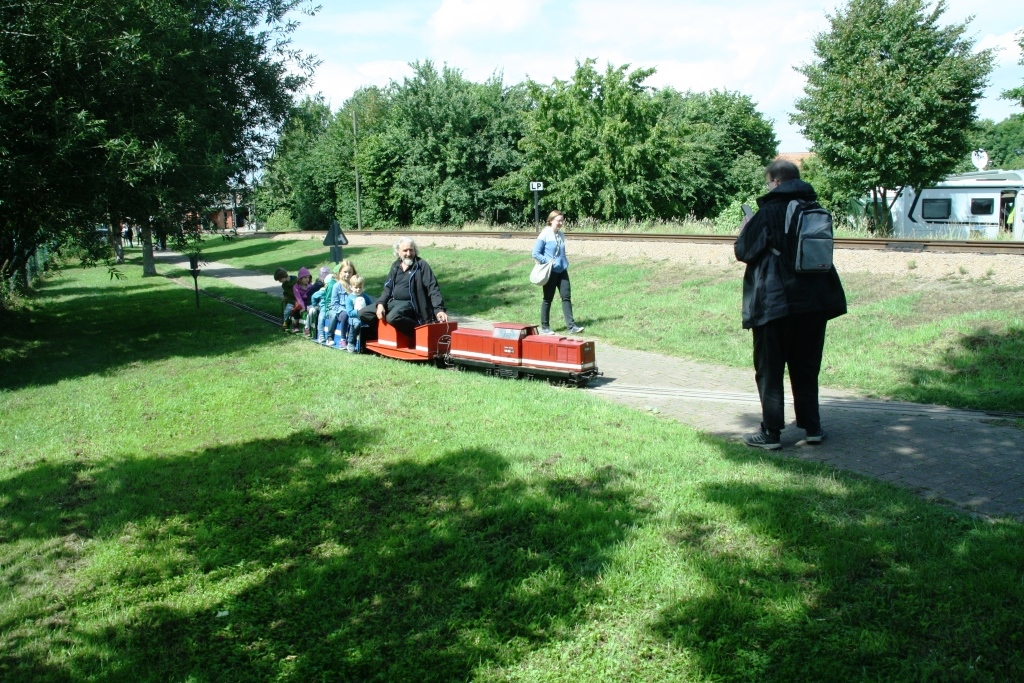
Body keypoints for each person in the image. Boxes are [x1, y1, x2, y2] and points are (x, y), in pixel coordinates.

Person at [734, 159, 847, 450]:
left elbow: (744, 251)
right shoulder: (814, 209)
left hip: (776, 304)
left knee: (770, 370)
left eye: (768, 182)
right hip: (815, 304)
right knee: (806, 367)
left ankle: (771, 433)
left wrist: (746, 229)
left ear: (776, 182)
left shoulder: (768, 212)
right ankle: (813, 428)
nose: (767, 187)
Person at [361, 238, 449, 336]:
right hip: (394, 302)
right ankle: (384, 334)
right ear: (398, 252)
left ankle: (419, 333)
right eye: (405, 250)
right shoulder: (395, 266)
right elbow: (388, 288)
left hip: (411, 303)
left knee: (392, 317)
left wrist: (439, 309)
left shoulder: (421, 265)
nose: (408, 253)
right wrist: (381, 304)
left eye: (411, 250)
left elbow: (433, 288)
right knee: (364, 313)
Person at [532, 210, 584, 335]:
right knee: (547, 299)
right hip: (550, 271)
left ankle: (571, 327)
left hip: (562, 270)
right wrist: (549, 261)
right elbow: (535, 253)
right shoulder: (544, 234)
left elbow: (561, 252)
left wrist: (565, 261)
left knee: (566, 297)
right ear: (551, 221)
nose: (561, 223)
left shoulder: (561, 234)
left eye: (562, 220)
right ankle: (545, 327)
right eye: (558, 220)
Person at [324, 260, 356, 348]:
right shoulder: (337, 286)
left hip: (353, 309)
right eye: (345, 272)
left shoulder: (354, 285)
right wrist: (347, 310)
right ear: (340, 272)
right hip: (340, 310)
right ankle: (341, 339)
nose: (347, 274)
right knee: (345, 315)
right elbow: (334, 304)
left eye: (350, 272)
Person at [345, 274, 375, 353]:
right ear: (351, 287)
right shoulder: (349, 298)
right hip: (354, 318)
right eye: (356, 287)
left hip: (364, 317)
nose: (358, 289)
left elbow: (371, 305)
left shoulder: (365, 296)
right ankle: (351, 342)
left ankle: (369, 342)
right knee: (357, 324)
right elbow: (349, 312)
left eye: (360, 287)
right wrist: (359, 312)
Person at [305, 266, 330, 340]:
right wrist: (314, 305)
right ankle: (307, 328)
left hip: (320, 305)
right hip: (311, 304)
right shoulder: (318, 285)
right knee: (313, 311)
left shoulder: (327, 287)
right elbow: (311, 295)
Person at [274, 267, 301, 332]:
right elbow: (286, 293)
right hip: (291, 300)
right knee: (287, 311)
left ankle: (295, 325)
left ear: (283, 277)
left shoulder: (296, 281)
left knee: (294, 310)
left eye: (279, 279)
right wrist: (285, 297)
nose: (279, 281)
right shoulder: (284, 285)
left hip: (299, 300)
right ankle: (286, 322)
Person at [292, 267, 312, 335]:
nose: (307, 279)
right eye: (305, 277)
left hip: (308, 302)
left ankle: (308, 327)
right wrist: (303, 307)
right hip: (300, 303)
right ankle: (296, 325)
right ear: (300, 278)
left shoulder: (310, 286)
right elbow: (299, 298)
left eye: (308, 277)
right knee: (296, 311)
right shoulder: (296, 287)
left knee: (311, 310)